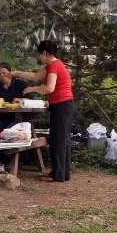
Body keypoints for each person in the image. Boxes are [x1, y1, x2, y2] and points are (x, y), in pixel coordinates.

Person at [12, 40, 75, 182]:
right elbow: (34, 76)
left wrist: (32, 89)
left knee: (57, 141)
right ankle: (63, 174)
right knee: (63, 140)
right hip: (65, 106)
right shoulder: (54, 65)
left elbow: (49, 88)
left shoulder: (53, 66)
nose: (39, 57)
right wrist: (16, 73)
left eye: (39, 54)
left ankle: (58, 175)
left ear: (45, 53)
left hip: (62, 106)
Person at [0, 61, 27, 132]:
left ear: (10, 72)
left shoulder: (20, 84)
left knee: (10, 128)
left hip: (17, 117)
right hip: (0, 117)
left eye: (4, 73)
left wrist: (21, 100)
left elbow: (31, 99)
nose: (2, 76)